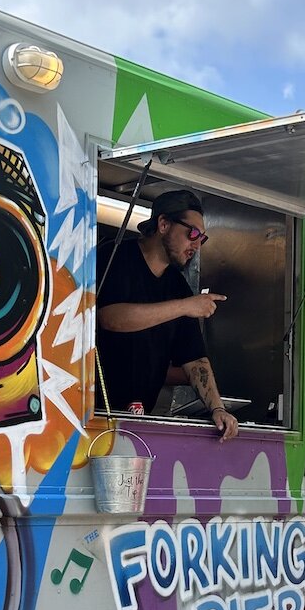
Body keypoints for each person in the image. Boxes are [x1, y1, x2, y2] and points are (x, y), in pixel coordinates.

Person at [96, 187, 239, 439]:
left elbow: (195, 360)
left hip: (140, 421)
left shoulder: (177, 285)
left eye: (202, 238)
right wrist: (185, 306)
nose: (196, 244)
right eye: (192, 233)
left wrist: (217, 408)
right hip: (89, 416)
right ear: (163, 224)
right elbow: (111, 319)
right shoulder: (115, 257)